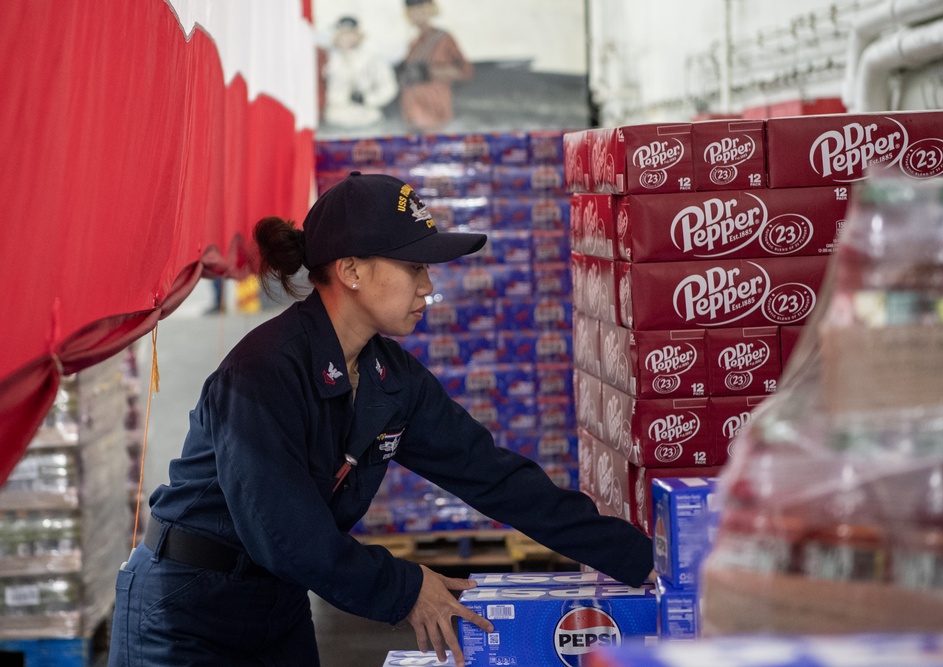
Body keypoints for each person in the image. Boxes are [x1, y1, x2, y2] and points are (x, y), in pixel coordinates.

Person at [108, 172, 654, 667]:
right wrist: (405, 586)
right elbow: (284, 532)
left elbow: (493, 476)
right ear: (350, 271)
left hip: (276, 601)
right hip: (186, 608)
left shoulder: (390, 377)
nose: (427, 286)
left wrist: (640, 559)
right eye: (414, 266)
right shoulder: (262, 373)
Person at [397, 0, 473, 133]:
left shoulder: (443, 39)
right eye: (412, 11)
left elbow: (465, 71)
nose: (416, 15)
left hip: (434, 111)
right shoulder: (414, 44)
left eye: (420, 10)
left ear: (430, 10)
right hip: (412, 114)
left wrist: (431, 71)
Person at [323, 16, 399, 130]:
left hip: (368, 118)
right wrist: (344, 97)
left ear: (359, 35)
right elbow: (326, 91)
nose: (346, 38)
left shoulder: (374, 59)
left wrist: (367, 99)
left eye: (350, 33)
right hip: (336, 120)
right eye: (342, 33)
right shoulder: (330, 61)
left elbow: (389, 88)